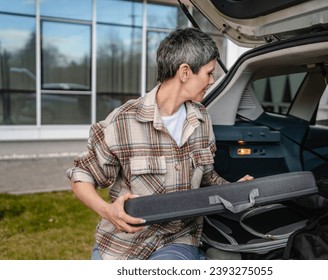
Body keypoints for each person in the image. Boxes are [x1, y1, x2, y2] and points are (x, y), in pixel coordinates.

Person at [66, 27, 253, 260]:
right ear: (185, 72)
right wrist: (108, 211)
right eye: (208, 73)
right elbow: (81, 176)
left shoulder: (201, 118)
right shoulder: (122, 122)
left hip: (177, 239)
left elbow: (206, 176)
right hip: (122, 245)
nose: (212, 81)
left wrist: (234, 189)